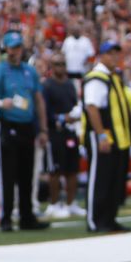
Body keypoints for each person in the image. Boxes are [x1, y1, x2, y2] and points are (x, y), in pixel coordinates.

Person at [0, 30, 50, 231]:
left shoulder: (29, 71)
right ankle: (6, 216)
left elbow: (38, 100)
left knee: (27, 173)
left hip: (27, 126)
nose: (15, 51)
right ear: (5, 49)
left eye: (18, 47)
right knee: (7, 174)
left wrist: (43, 129)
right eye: (12, 47)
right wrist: (1, 103)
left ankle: (27, 216)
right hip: (7, 125)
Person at [82, 42, 131, 233]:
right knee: (100, 179)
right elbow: (92, 107)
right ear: (101, 56)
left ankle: (109, 219)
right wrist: (101, 134)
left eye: (116, 54)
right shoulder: (97, 78)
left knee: (114, 180)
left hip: (119, 138)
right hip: (104, 136)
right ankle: (95, 220)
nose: (114, 57)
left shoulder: (113, 77)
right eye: (110, 54)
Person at [40, 55, 83, 219]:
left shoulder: (69, 85)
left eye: (63, 64)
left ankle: (71, 203)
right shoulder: (47, 85)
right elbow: (44, 109)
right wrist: (59, 118)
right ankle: (54, 203)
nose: (61, 67)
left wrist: (73, 115)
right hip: (54, 132)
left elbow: (74, 104)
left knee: (72, 169)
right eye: (57, 64)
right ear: (52, 66)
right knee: (55, 170)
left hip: (70, 130)